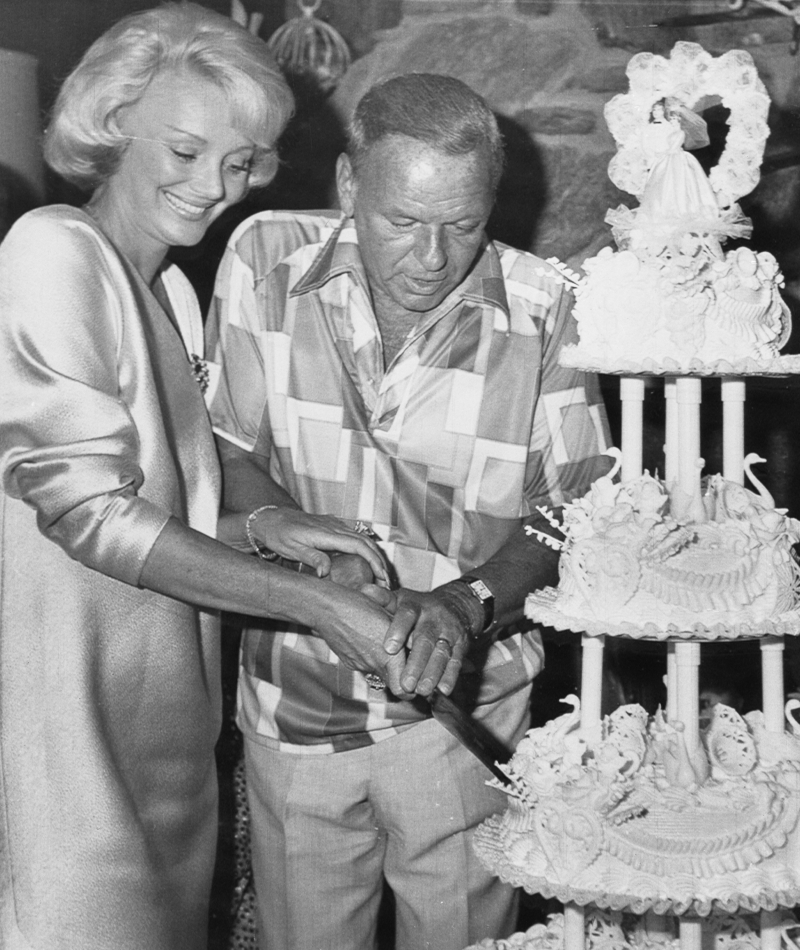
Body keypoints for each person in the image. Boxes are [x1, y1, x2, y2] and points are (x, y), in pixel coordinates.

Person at [0, 8, 428, 950]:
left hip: (166, 738)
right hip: (64, 737)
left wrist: (265, 526)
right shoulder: (51, 249)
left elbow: (163, 508)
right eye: (187, 151)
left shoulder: (174, 291)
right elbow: (88, 514)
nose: (214, 188)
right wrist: (312, 607)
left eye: (242, 162)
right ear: (112, 127)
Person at [207, 72, 612, 950]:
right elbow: (226, 448)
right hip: (292, 707)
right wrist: (301, 539)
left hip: (466, 723)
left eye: (463, 225)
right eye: (402, 221)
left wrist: (464, 606)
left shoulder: (547, 306)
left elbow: (574, 512)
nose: (432, 257)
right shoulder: (259, 257)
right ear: (351, 185)